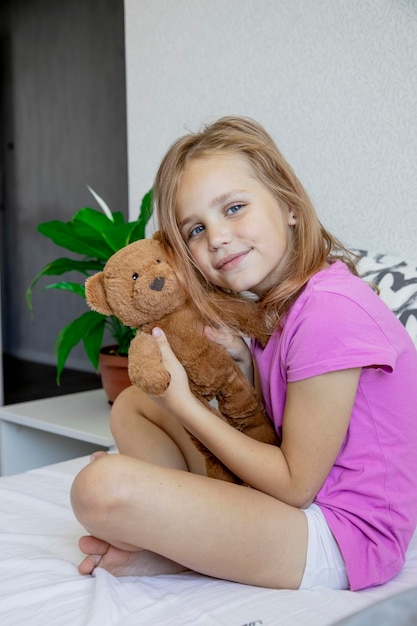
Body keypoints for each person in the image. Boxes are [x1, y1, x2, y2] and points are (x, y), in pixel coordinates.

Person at [70, 116, 417, 591]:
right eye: (195, 229)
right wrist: (245, 364)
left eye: (234, 208)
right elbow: (278, 420)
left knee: (100, 487)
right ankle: (182, 543)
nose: (216, 237)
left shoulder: (330, 312)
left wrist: (185, 405)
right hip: (294, 507)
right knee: (134, 404)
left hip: (343, 537)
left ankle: (178, 541)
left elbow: (297, 485)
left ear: (289, 205)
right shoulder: (276, 309)